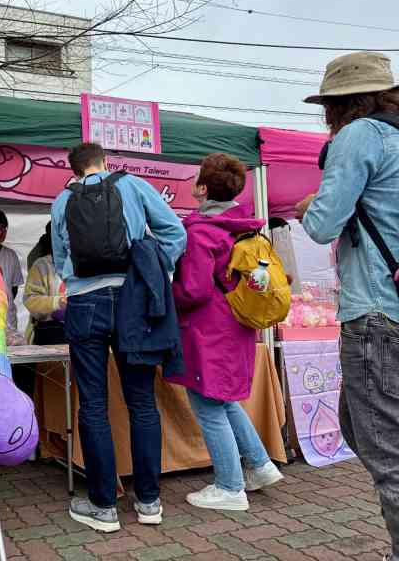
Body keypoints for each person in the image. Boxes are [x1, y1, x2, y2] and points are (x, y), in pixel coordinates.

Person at [296, 51, 399, 561]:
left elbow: (320, 225)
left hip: (375, 309)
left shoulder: (359, 136)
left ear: (340, 104)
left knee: (384, 451)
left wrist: (309, 205)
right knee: (358, 426)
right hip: (391, 308)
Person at [51, 143, 186, 532]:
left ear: (74, 170)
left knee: (92, 404)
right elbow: (173, 232)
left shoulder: (62, 201)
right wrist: (157, 268)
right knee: (142, 402)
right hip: (132, 299)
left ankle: (103, 506)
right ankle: (149, 502)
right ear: (105, 163)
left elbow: (62, 258)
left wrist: (77, 279)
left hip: (84, 302)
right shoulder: (133, 185)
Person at [166, 153, 284, 512]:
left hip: (208, 330)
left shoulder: (201, 232)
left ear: (203, 188)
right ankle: (260, 465)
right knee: (223, 399)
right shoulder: (246, 226)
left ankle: (230, 487)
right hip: (237, 324)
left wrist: (164, 294)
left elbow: (194, 291)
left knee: (208, 405)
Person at [23, 222, 67, 346]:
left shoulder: (83, 262)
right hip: (51, 332)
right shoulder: (42, 265)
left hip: (79, 332)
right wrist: (58, 303)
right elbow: (30, 300)